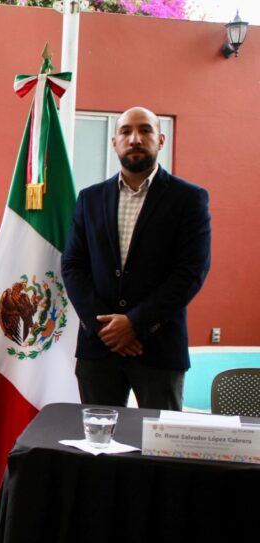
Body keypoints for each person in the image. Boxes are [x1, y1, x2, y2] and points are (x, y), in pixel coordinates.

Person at [61, 106, 211, 410]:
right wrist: (106, 328)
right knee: (98, 449)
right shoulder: (90, 199)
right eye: (126, 131)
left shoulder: (188, 198)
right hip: (98, 348)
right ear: (114, 142)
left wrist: (135, 323)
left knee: (158, 452)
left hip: (158, 347)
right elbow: (73, 266)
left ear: (161, 140)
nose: (135, 138)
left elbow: (191, 272)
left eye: (145, 130)